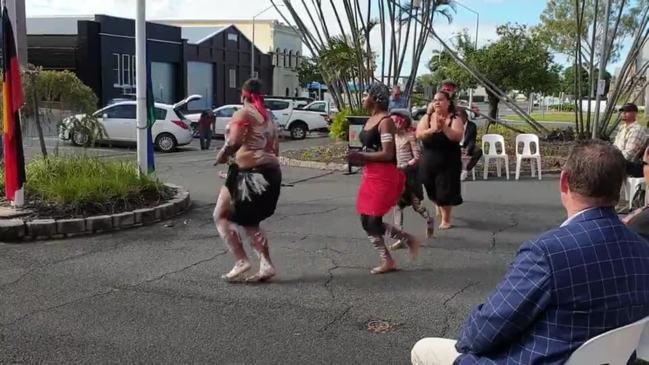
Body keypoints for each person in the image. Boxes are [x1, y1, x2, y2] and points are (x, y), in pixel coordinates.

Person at [411, 140, 649, 365]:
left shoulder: (548, 252)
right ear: (619, 187)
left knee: (424, 349)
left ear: (564, 181)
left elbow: (482, 332)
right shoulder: (642, 249)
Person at [348, 83, 421, 275]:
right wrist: (358, 156)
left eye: (365, 95)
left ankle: (402, 246)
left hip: (384, 176)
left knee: (373, 221)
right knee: (367, 222)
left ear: (375, 98)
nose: (363, 98)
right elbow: (370, 148)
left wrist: (362, 157)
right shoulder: (371, 119)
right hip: (371, 175)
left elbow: (388, 154)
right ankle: (392, 256)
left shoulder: (385, 121)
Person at [213, 78, 281, 282]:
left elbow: (234, 141)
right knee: (250, 221)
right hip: (267, 173)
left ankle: (242, 260)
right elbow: (275, 148)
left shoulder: (243, 113)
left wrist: (222, 155)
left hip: (250, 175)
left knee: (222, 216)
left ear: (243, 95)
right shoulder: (267, 116)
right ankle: (265, 264)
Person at [416, 91, 464, 229]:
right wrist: (433, 129)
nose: (437, 102)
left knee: (445, 189)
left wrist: (443, 128)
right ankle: (437, 202)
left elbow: (457, 137)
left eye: (441, 100)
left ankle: (446, 219)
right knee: (430, 186)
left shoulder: (455, 119)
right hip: (429, 160)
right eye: (435, 100)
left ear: (448, 102)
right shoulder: (427, 117)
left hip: (448, 161)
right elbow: (419, 134)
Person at [390, 109, 435, 249]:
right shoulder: (394, 137)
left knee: (417, 206)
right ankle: (401, 237)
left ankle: (429, 221)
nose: (392, 125)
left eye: (394, 122)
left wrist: (405, 165)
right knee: (397, 206)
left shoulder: (410, 136)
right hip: (398, 177)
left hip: (411, 177)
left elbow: (417, 157)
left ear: (402, 122)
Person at [459, 112, 482, 181]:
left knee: (478, 151)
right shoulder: (454, 124)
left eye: (459, 118)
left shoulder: (472, 126)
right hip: (456, 146)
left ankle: (466, 169)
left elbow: (472, 140)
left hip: (467, 145)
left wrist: (468, 150)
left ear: (465, 118)